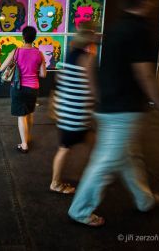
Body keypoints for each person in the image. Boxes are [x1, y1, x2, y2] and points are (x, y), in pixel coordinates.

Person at [68, 0, 159, 227]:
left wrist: (99, 96)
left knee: (130, 158)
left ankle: (145, 200)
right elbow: (145, 76)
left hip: (108, 107)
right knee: (107, 161)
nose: (153, 3)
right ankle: (79, 210)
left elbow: (94, 66)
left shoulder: (115, 29)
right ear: (143, 2)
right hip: (123, 110)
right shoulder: (138, 31)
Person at [50, 25, 98, 194]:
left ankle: (85, 174)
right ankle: (56, 182)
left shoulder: (68, 57)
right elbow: (92, 87)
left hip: (66, 110)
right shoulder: (86, 59)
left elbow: (59, 80)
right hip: (77, 113)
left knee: (86, 142)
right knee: (66, 147)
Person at [0, 26, 47, 153]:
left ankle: (24, 144)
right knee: (30, 113)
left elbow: (1, 68)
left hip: (18, 87)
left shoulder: (16, 52)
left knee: (21, 116)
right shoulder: (39, 53)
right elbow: (43, 74)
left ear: (23, 37)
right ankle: (28, 136)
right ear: (34, 38)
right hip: (33, 88)